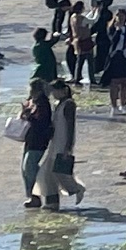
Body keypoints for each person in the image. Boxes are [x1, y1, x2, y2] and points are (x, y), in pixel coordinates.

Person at [33, 79, 85, 209]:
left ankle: (77, 188)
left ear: (62, 90)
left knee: (61, 173)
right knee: (47, 172)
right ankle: (52, 201)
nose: (53, 94)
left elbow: (70, 126)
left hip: (63, 142)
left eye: (55, 91)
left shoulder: (69, 104)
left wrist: (68, 146)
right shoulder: (58, 104)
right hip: (55, 142)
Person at [17, 82, 54, 207]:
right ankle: (34, 194)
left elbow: (41, 122)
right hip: (31, 139)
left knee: (29, 167)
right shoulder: (34, 102)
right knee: (26, 168)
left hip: (39, 140)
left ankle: (38, 194)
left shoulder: (42, 103)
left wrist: (29, 116)